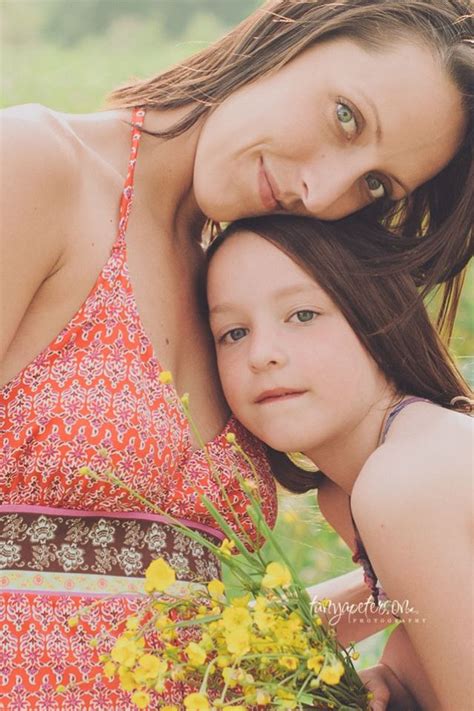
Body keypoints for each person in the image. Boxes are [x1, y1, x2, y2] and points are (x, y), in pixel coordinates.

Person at [0, 0, 472, 707]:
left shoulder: (241, 298)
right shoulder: (41, 166)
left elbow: (178, 623)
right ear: (295, 31)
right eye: (346, 116)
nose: (322, 189)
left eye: (374, 184)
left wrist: (380, 604)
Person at [206, 213, 473, 710]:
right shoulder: (348, 493)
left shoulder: (405, 482)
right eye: (233, 332)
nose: (262, 354)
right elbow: (405, 602)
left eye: (303, 315)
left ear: (376, 315)